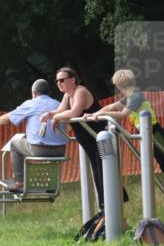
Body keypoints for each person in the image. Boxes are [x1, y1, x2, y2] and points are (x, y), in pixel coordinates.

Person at [85, 69, 164, 222]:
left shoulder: (136, 96)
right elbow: (111, 107)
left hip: (156, 134)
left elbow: (123, 114)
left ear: (119, 84)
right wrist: (93, 115)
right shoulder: (129, 96)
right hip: (149, 134)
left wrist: (101, 115)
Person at [41, 66, 127, 215]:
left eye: (62, 80)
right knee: (98, 173)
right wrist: (50, 114)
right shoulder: (68, 95)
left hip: (100, 138)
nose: (58, 83)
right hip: (90, 141)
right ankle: (106, 210)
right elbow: (60, 110)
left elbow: (74, 112)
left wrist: (56, 117)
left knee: (104, 172)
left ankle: (112, 210)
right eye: (57, 81)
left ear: (72, 80)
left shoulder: (81, 91)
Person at [0, 79, 68, 191]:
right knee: (28, 139)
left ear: (33, 93)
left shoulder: (31, 104)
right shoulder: (59, 104)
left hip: (40, 150)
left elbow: (9, 118)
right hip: (60, 150)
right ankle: (51, 183)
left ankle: (20, 182)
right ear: (48, 92)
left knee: (15, 144)